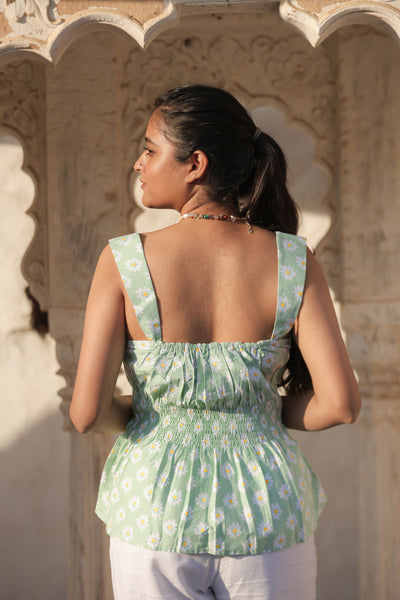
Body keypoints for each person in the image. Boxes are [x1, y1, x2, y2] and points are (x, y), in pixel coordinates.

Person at [70, 84, 361, 599]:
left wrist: (158, 411)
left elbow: (87, 413)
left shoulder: (124, 261)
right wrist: (252, 408)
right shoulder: (293, 260)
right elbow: (339, 404)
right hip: (266, 513)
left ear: (195, 164)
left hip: (153, 511)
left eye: (150, 149)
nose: (139, 163)